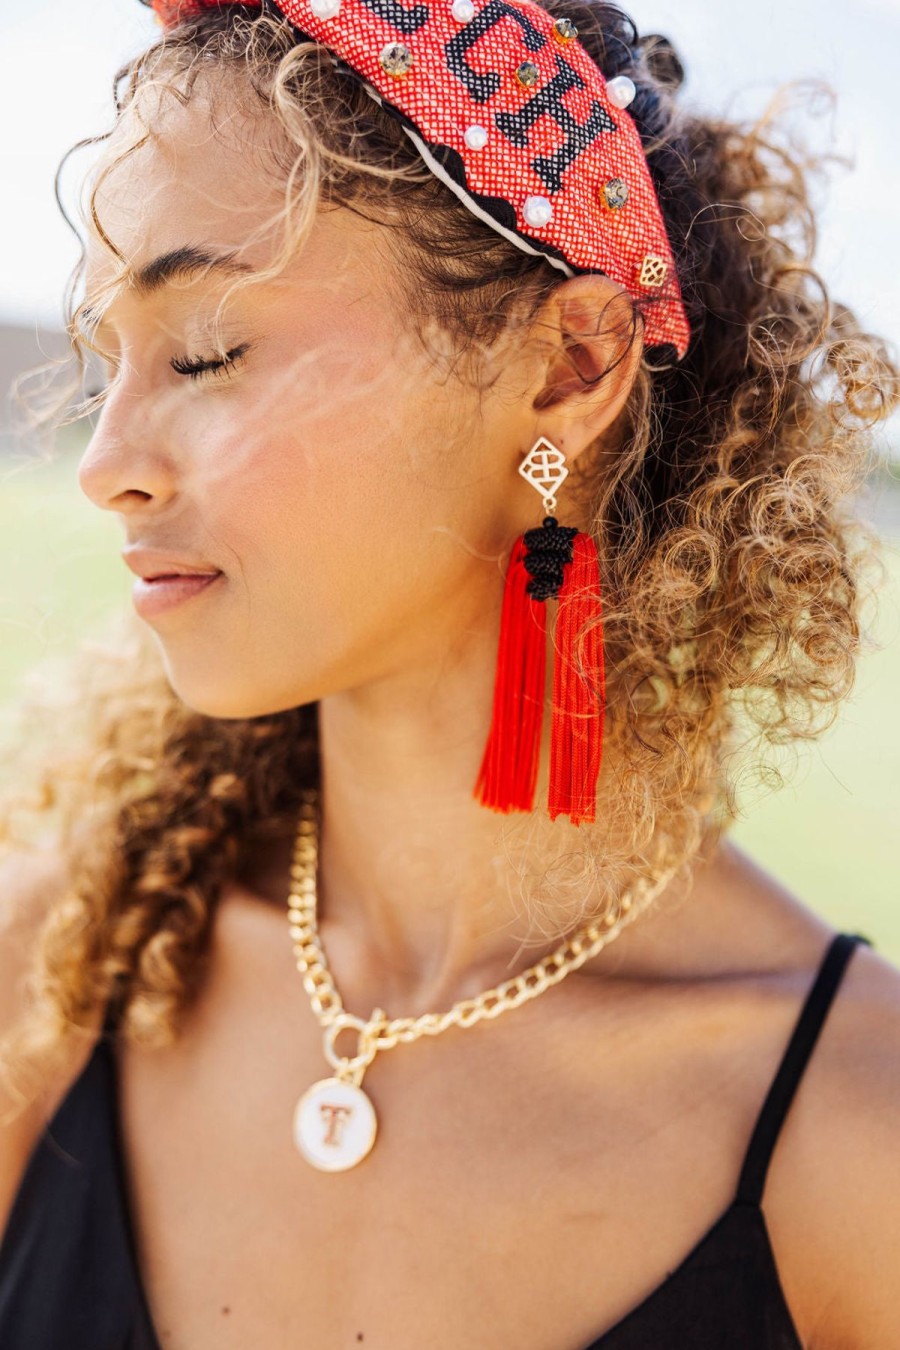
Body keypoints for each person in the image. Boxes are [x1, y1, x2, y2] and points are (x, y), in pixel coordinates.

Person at [1, 0, 899, 1345]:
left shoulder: (853, 1133)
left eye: (204, 351)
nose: (104, 457)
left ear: (570, 366)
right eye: (106, 360)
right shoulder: (55, 969)